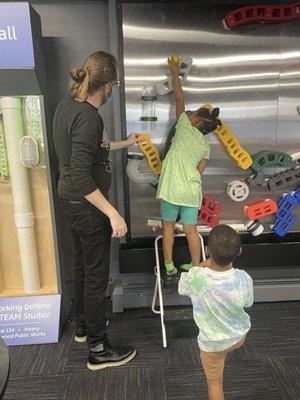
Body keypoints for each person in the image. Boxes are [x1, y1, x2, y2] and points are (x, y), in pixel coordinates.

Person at [53, 51, 139, 371]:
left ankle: (83, 327)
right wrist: (113, 213)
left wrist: (125, 143)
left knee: (82, 267)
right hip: (88, 205)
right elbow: (80, 173)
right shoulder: (90, 116)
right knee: (96, 276)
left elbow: (90, 149)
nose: (116, 88)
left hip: (71, 201)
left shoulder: (69, 106)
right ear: (106, 86)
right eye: (115, 82)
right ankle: (99, 349)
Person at [156, 58, 221, 276]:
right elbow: (199, 171)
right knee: (191, 230)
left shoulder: (183, 126)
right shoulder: (205, 147)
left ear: (193, 121)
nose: (188, 113)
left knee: (168, 229)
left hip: (172, 189)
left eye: (191, 114)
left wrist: (175, 73)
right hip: (192, 191)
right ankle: (195, 265)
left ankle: (169, 267)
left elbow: (179, 98)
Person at [178, 225, 254, 400]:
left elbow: (182, 288)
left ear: (207, 250)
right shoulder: (244, 278)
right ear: (239, 252)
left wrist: (200, 265)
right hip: (238, 337)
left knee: (215, 383)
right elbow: (248, 302)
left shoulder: (197, 276)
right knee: (223, 354)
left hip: (212, 344)